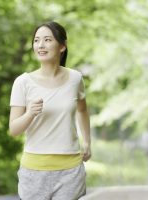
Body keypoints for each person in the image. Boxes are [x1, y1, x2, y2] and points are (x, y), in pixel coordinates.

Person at [9, 21, 91, 200]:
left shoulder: (75, 79)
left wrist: (87, 142)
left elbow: (83, 110)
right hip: (34, 170)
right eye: (37, 40)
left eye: (47, 40)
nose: (40, 45)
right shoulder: (23, 82)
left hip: (70, 170)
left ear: (62, 46)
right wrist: (30, 113)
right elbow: (14, 130)